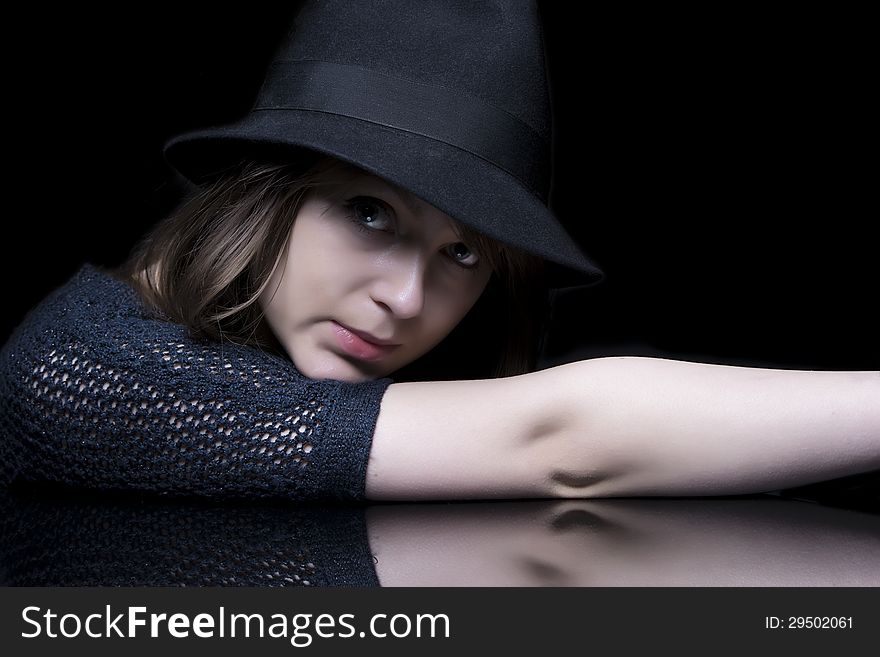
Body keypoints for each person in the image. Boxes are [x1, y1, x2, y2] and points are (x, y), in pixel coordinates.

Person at [1, 0, 877, 503]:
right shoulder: (88, 370)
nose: (408, 301)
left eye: (463, 255)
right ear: (264, 192)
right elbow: (564, 437)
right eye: (371, 213)